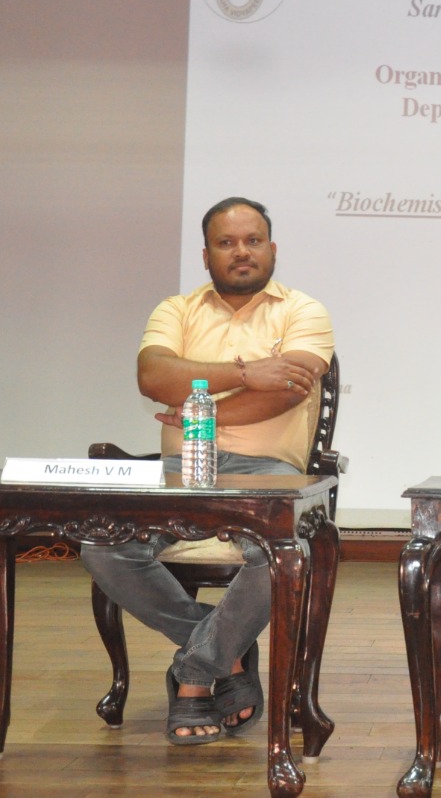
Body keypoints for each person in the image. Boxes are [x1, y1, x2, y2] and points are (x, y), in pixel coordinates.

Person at [81, 196, 334, 745]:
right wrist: (248, 371)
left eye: (252, 240)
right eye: (226, 243)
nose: (241, 252)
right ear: (205, 254)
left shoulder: (302, 311)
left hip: (268, 474)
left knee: (283, 553)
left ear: (272, 248)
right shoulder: (176, 309)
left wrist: (200, 403)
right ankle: (228, 655)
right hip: (180, 472)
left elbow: (285, 394)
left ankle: (195, 672)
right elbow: (153, 376)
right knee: (101, 545)